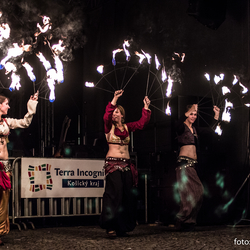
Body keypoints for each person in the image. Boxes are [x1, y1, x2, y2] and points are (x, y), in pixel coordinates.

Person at [100, 89, 151, 238]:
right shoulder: (109, 127)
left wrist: (146, 107)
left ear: (122, 115)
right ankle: (110, 226)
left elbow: (142, 124)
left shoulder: (128, 127)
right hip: (113, 164)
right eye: (113, 112)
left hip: (127, 165)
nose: (114, 114)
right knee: (114, 194)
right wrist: (114, 99)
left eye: (117, 112)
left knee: (127, 196)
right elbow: (106, 116)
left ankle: (122, 227)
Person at [0, 91, 39, 245]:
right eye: (6, 104)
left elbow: (25, 122)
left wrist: (31, 105)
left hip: (5, 166)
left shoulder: (7, 122)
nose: (8, 107)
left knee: (3, 201)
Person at [175, 103, 220, 231]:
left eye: (195, 114)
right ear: (186, 114)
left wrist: (216, 115)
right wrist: (186, 112)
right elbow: (176, 125)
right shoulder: (181, 127)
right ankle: (184, 220)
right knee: (192, 193)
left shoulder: (195, 129)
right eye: (191, 114)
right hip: (184, 164)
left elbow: (211, 130)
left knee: (196, 193)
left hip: (192, 165)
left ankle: (186, 221)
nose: (193, 116)